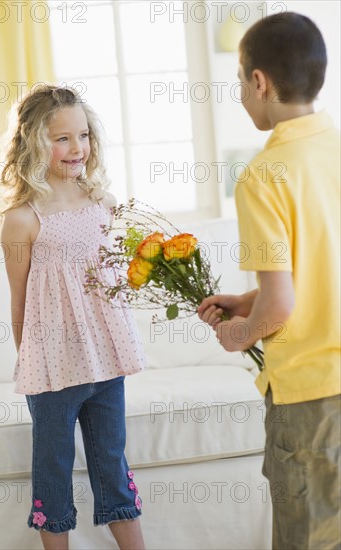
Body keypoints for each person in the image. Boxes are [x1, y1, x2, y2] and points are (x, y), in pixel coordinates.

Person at [198, 12, 340, 550]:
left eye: (239, 81)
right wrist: (248, 300)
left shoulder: (264, 174)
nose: (240, 93)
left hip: (310, 398)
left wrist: (240, 334)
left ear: (260, 82)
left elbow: (281, 305)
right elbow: (320, 269)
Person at [0, 85, 146, 550]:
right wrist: (29, 359)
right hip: (52, 373)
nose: (76, 148)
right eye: (61, 138)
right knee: (53, 474)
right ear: (33, 143)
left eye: (82, 135)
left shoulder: (102, 204)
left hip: (105, 363)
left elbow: (110, 285)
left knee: (113, 466)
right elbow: (19, 301)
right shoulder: (22, 219)